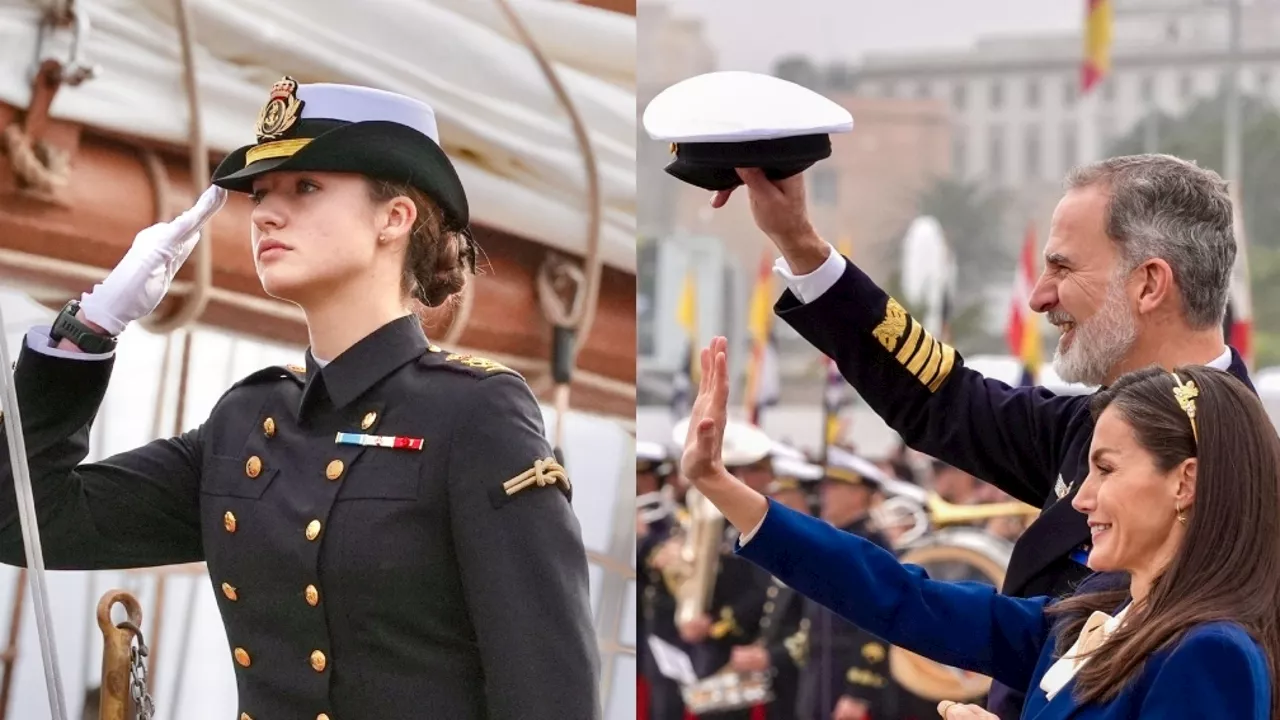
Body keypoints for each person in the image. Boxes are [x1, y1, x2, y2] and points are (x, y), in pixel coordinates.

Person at [643, 70, 1256, 718]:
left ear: (1150, 284)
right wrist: (799, 242)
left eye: (1062, 266)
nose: (1037, 296)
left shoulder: (1242, 482)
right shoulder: (1101, 421)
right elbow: (943, 401)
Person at [0, 77, 599, 719]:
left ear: (393, 218)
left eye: (305, 188)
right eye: (261, 194)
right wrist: (90, 329)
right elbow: (30, 524)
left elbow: (549, 691)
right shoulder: (248, 424)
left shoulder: (475, 414)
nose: (264, 213)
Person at [685, 336, 1277, 719]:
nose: (1082, 499)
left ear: (1185, 482)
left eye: (1105, 469)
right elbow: (901, 597)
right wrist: (723, 488)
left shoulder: (1210, 652)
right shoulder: (1091, 621)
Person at [638, 441, 688, 720]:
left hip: (665, 631)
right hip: (636, 626)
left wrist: (644, 540)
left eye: (646, 477)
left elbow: (666, 563)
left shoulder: (673, 520)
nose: (642, 484)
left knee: (664, 705)